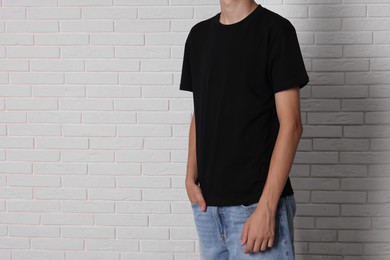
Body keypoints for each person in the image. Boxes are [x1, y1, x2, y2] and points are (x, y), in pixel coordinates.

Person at [180, 0, 309, 259]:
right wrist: (189, 177)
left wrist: (266, 208)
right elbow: (201, 111)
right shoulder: (199, 36)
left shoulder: (276, 30)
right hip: (208, 210)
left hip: (255, 208)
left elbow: (292, 125)